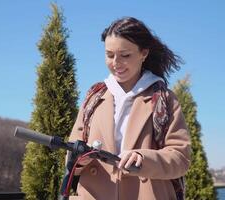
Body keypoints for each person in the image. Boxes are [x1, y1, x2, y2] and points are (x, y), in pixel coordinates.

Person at [67, 17, 191, 200]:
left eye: (125, 55)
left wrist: (144, 159)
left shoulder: (164, 99)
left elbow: (180, 158)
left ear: (144, 53)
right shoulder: (95, 96)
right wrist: (79, 159)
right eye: (109, 55)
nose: (116, 63)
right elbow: (72, 150)